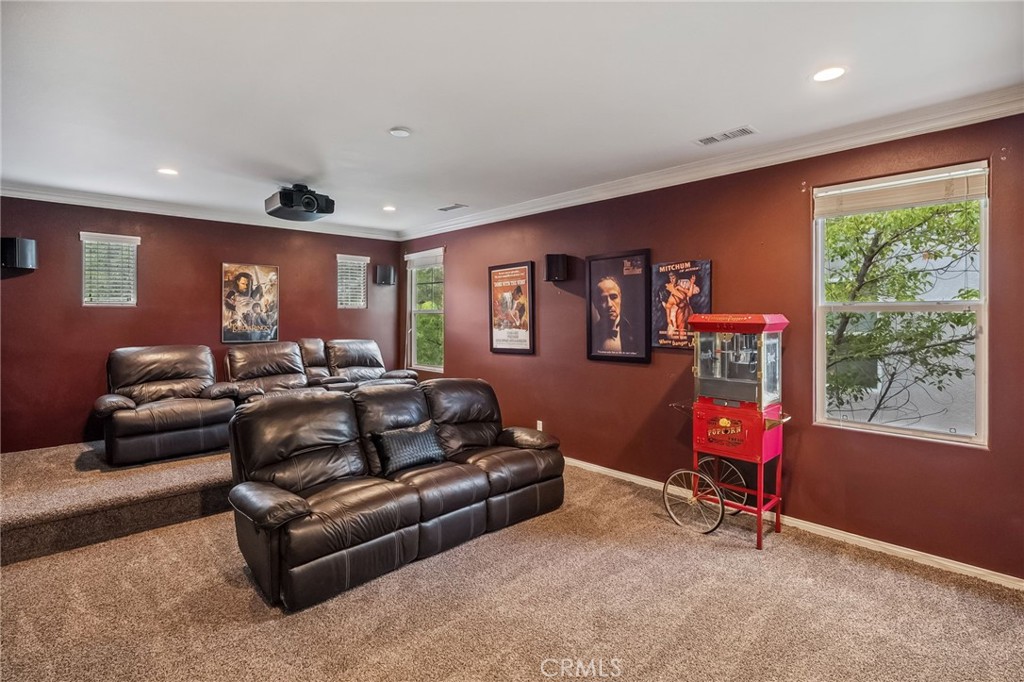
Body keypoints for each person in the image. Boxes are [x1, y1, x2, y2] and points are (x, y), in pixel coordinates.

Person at [593, 275, 637, 353]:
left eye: (614, 297)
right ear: (596, 304)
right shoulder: (592, 334)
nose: (609, 304)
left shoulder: (635, 332)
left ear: (620, 298)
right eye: (603, 299)